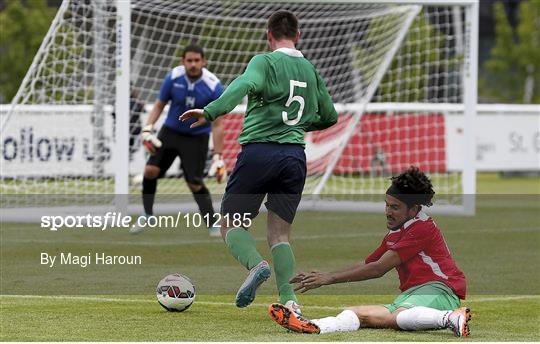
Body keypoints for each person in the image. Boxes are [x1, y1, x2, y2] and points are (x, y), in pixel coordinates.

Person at [180, 11, 338, 313]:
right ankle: (290, 300)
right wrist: (297, 126)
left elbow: (244, 84)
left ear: (269, 36)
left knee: (230, 224)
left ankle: (255, 265)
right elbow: (330, 115)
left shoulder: (263, 62)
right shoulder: (310, 69)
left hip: (259, 153)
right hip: (294, 158)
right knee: (279, 234)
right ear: (298, 35)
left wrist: (211, 111)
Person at [268, 166, 472, 338]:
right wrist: (324, 275)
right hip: (413, 295)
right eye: (386, 205)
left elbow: (378, 268)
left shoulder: (421, 227)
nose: (388, 212)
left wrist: (329, 278)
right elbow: (369, 263)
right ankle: (312, 325)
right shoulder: (398, 231)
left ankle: (451, 317)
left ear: (413, 209)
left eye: (395, 207)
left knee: (398, 317)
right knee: (358, 314)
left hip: (439, 290)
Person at [130, 43, 226, 237]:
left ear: (204, 62)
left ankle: (212, 223)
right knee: (150, 171)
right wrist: (148, 129)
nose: (193, 64)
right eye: (189, 61)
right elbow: (159, 105)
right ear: (183, 62)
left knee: (194, 183)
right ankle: (147, 213)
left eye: (196, 60)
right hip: (170, 132)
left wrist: (218, 156)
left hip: (196, 137)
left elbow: (218, 124)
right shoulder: (173, 77)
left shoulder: (213, 85)